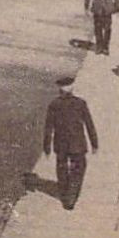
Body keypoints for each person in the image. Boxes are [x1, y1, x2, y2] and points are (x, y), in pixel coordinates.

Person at [42, 75, 98, 210]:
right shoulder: (80, 103)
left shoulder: (54, 105)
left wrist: (47, 147)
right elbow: (89, 124)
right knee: (78, 168)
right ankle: (71, 196)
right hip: (77, 143)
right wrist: (94, 143)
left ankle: (64, 191)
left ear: (60, 90)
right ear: (72, 88)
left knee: (61, 168)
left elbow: (48, 127)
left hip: (60, 143)